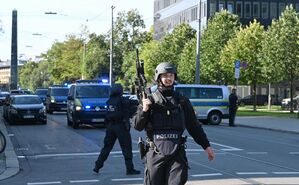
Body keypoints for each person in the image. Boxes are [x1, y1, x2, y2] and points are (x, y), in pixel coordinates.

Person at [133, 62, 215, 185]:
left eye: (171, 75)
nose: (168, 78)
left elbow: (193, 126)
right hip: (155, 153)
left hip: (177, 153)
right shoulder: (149, 99)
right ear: (158, 78)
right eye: (165, 75)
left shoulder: (181, 100)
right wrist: (144, 110)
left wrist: (206, 146)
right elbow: (137, 126)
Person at [93, 84, 140, 175]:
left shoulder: (109, 101)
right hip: (121, 126)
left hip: (110, 127)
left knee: (106, 148)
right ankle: (130, 169)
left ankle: (97, 166)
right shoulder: (123, 100)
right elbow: (134, 103)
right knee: (126, 149)